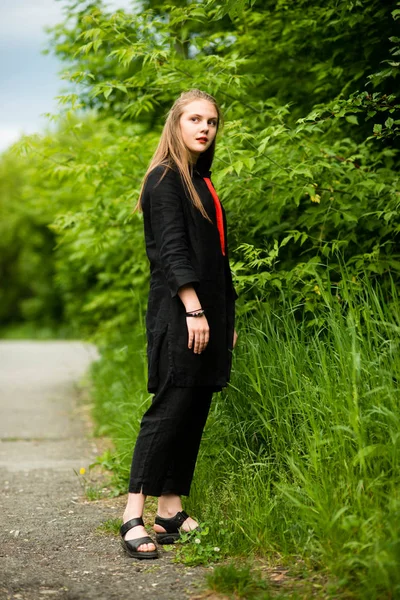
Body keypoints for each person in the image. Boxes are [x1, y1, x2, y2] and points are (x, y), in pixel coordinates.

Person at [120, 89, 238, 560]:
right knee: (170, 408)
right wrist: (193, 308)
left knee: (194, 408)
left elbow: (218, 259)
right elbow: (171, 251)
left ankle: (170, 509)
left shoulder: (201, 181)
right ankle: (133, 513)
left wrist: (225, 313)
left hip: (210, 314)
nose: (204, 128)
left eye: (211, 121)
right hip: (180, 312)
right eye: (195, 119)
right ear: (177, 124)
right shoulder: (165, 178)